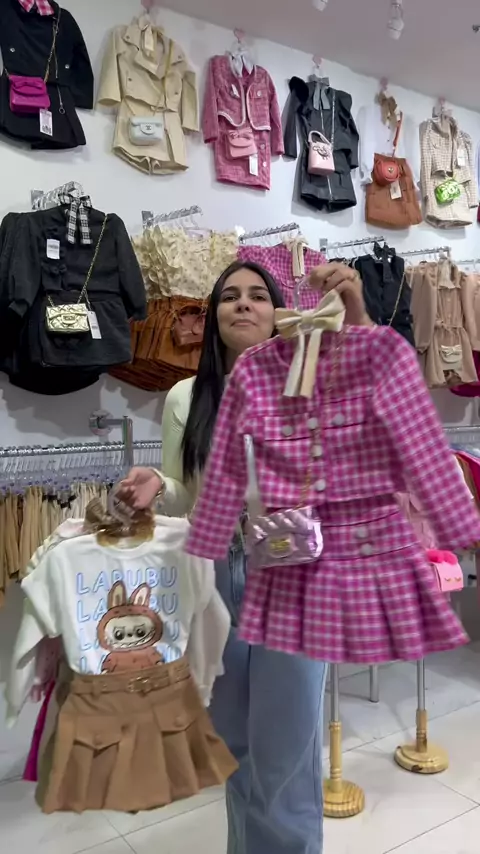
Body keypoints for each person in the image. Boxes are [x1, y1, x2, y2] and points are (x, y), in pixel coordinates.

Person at [117, 259, 373, 854]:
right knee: (233, 743)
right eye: (230, 296)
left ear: (277, 311)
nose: (243, 304)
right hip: (218, 575)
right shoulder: (186, 396)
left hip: (296, 576)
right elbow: (185, 491)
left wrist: (355, 316)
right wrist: (156, 484)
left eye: (258, 295)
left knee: (287, 746)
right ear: (214, 317)